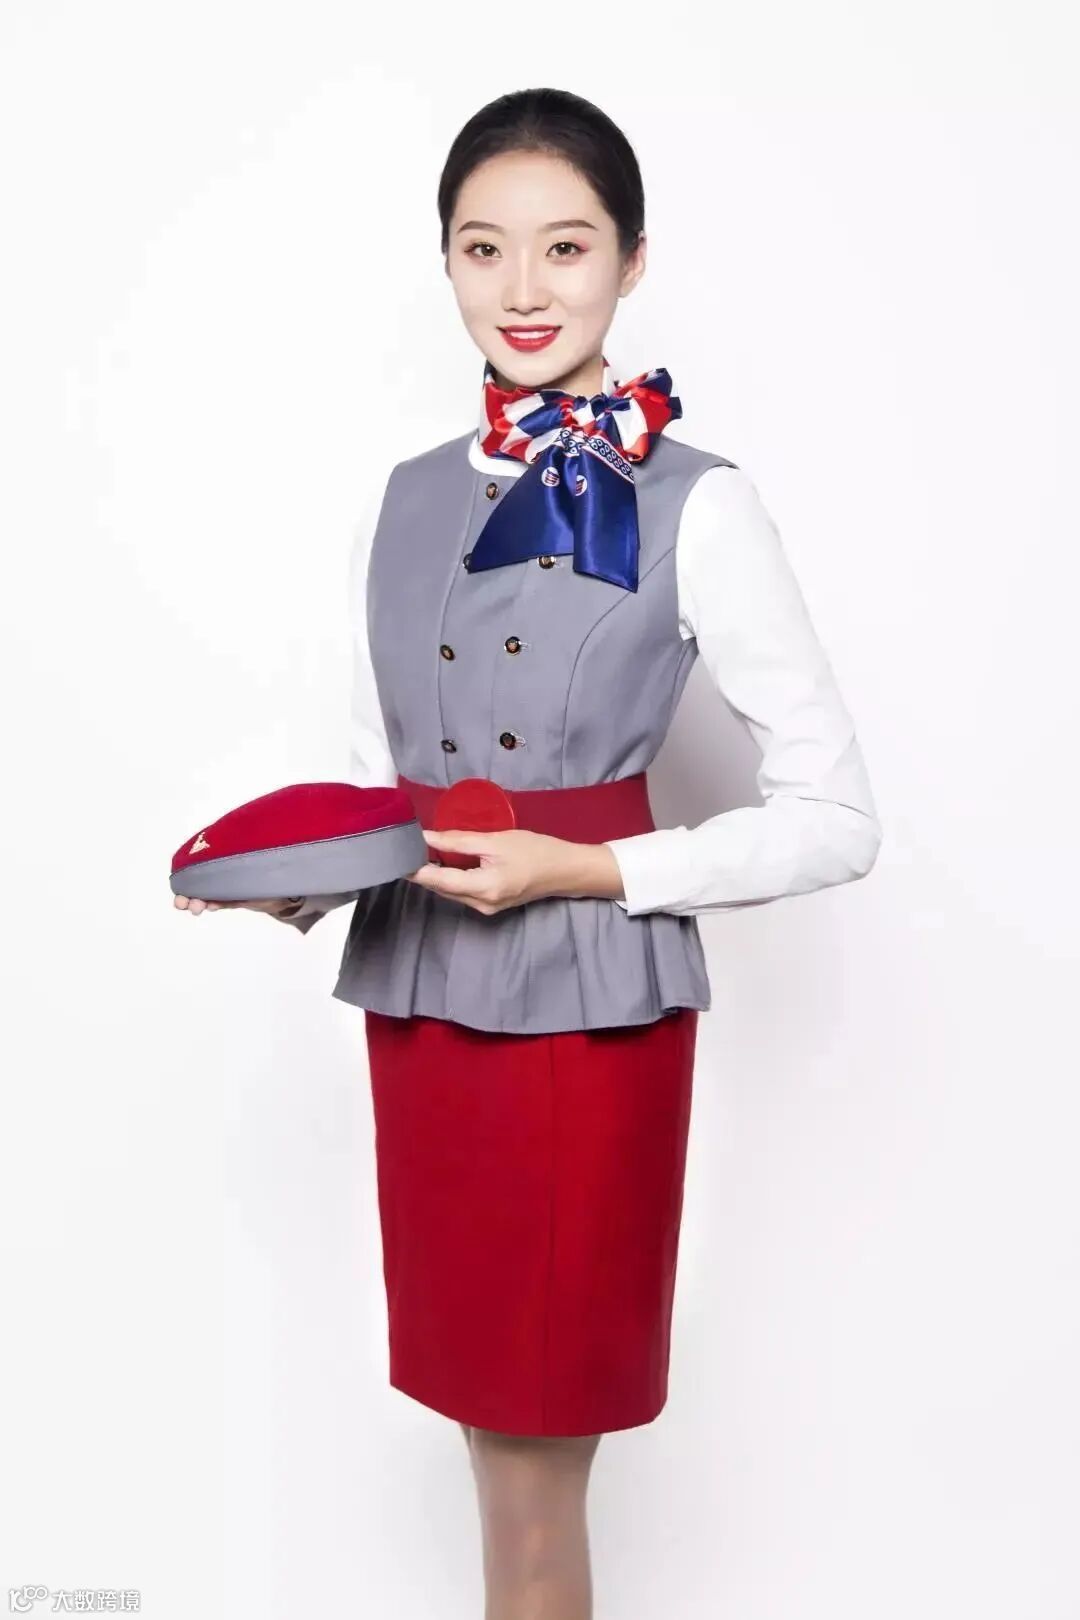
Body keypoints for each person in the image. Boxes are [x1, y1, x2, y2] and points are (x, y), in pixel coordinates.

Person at [175, 87, 882, 1620]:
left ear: (633, 260)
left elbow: (838, 818)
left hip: (591, 1019)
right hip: (427, 1014)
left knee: (542, 1478)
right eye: (483, 247)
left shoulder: (699, 503)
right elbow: (386, 780)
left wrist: (589, 873)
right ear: (444, 261)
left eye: (566, 246)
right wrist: (307, 884)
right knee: (491, 1453)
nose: (523, 287)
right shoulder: (406, 498)